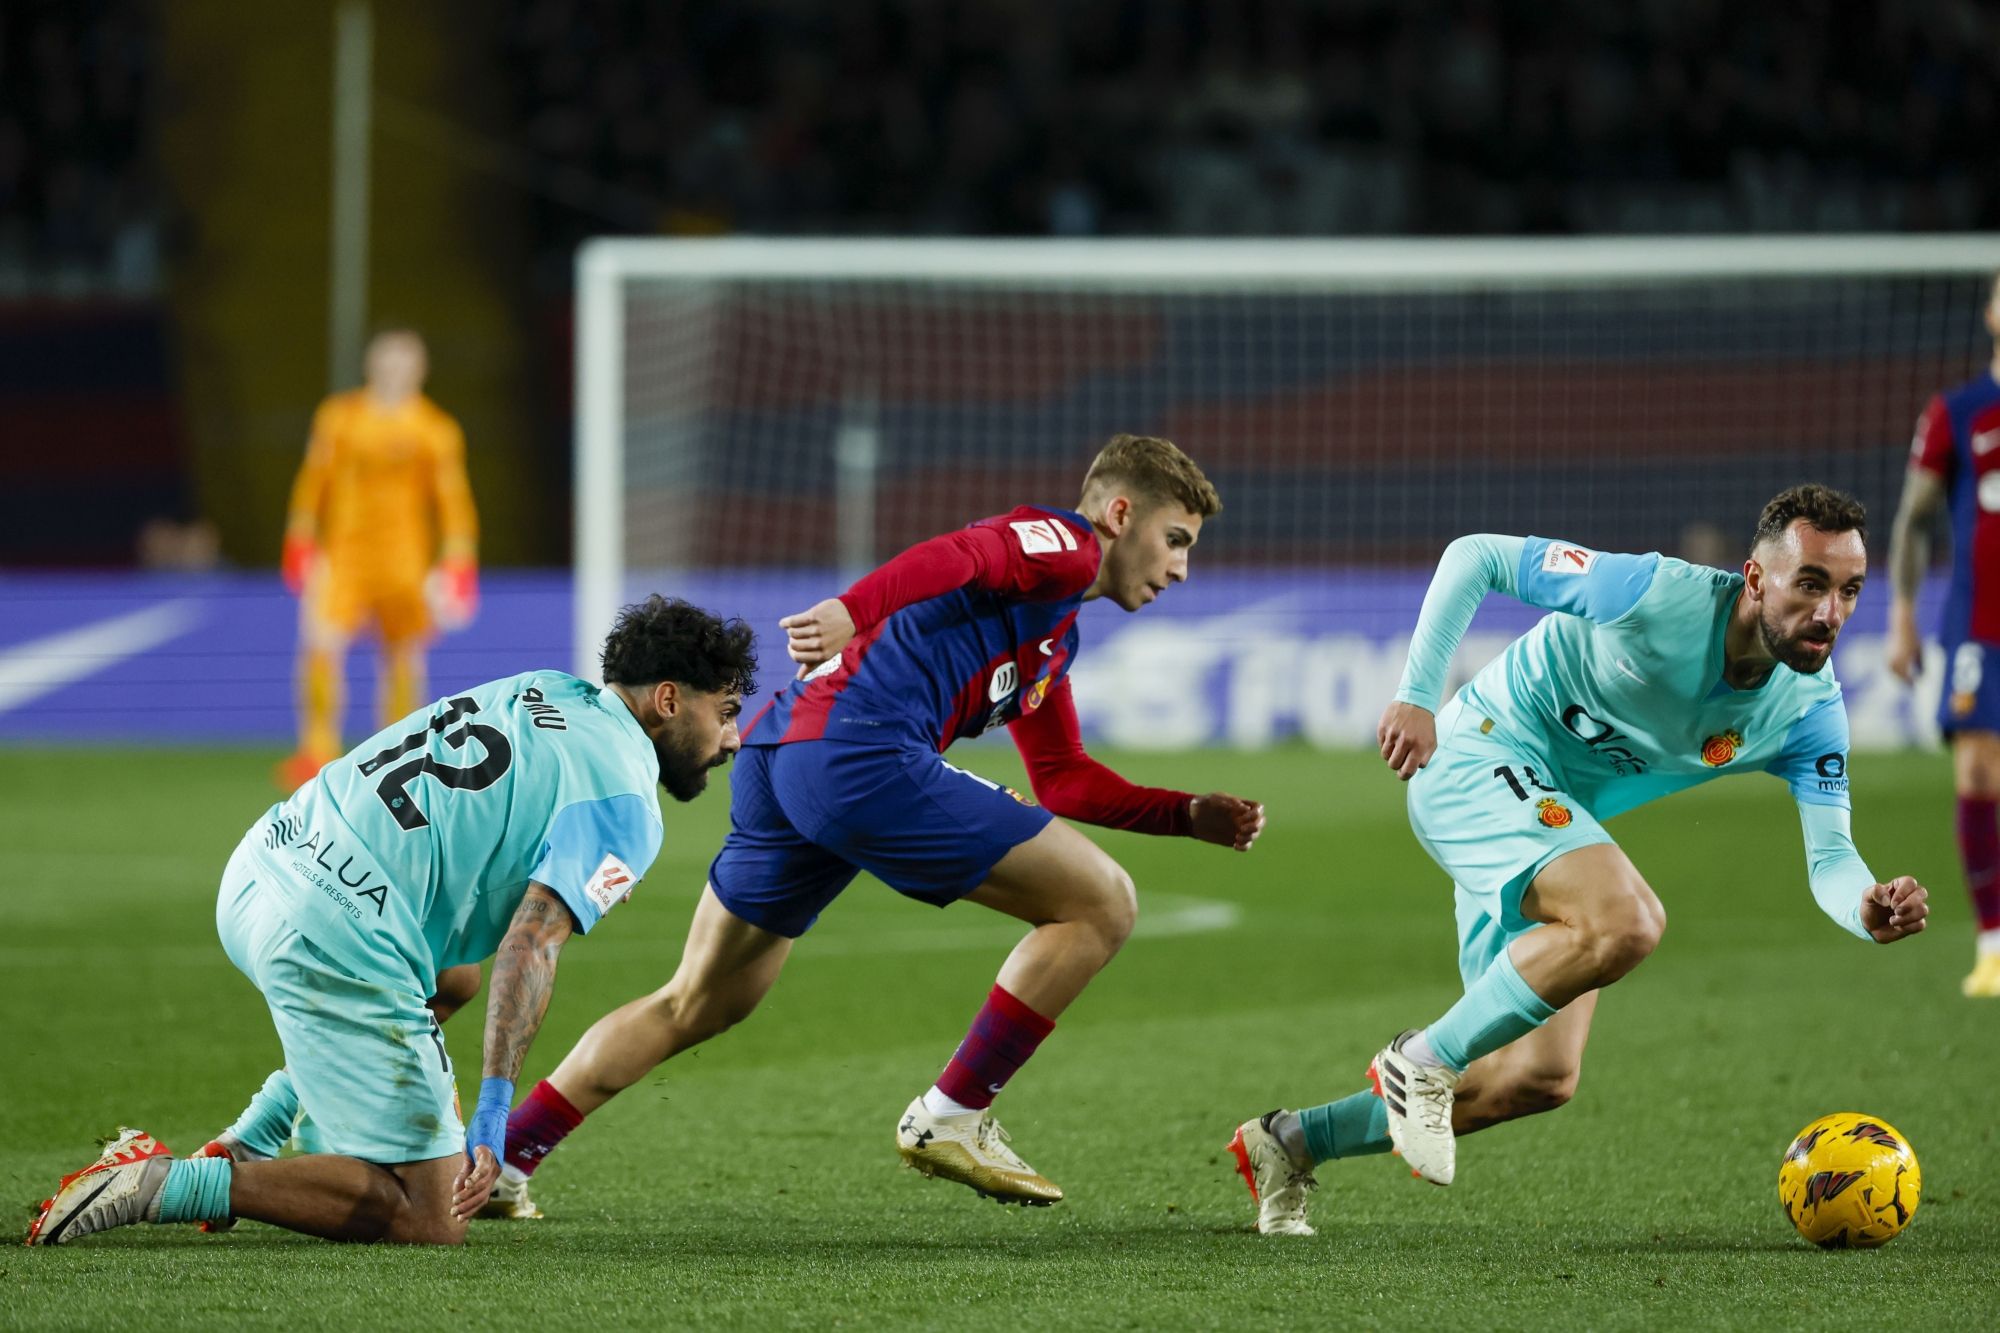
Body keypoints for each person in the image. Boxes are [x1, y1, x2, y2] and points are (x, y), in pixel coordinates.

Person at [487, 434, 1265, 1216]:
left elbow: (1063, 776)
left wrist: (1183, 814)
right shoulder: (1064, 544)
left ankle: (506, 1159)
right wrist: (847, 610)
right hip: (858, 747)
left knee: (699, 999)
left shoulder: (1054, 635)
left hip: (780, 755)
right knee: (1103, 903)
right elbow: (962, 553)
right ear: (1120, 514)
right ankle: (952, 1113)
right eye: (1175, 541)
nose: (1179, 568)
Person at [1227, 485, 1929, 1237]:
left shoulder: (1811, 710)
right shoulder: (1654, 592)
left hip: (1545, 821)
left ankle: (1290, 1141)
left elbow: (1831, 855)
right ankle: (1420, 1058)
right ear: (1757, 579)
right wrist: (1416, 695)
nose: (1830, 613)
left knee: (1538, 1076)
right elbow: (1478, 555)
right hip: (1477, 754)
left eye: (1850, 590)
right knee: (1626, 920)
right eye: (1811, 584)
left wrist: (1863, 904)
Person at [26, 597, 754, 1246]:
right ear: (667, 699)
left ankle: (250, 1139)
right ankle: (164, 1182)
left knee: (452, 976)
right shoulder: (626, 799)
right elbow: (529, 946)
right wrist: (495, 1114)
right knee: (428, 1215)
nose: (733, 739)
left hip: (259, 867)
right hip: (333, 933)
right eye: (724, 712)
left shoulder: (545, 686)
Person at [278, 328, 479, 790]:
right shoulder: (339, 417)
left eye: (404, 361)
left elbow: (453, 501)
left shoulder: (435, 430)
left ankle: (401, 749)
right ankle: (317, 749)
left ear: (420, 368)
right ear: (371, 364)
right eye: (386, 360)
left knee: (404, 655)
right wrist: (300, 535)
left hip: (403, 560)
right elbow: (314, 480)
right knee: (320, 642)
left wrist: (459, 560)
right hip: (345, 556)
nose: (394, 369)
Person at [1887, 271, 2000, 997]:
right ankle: (1994, 945)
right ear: (1992, 311)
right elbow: (1914, 519)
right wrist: (1901, 613)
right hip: (1980, 627)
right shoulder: (1959, 411)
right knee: (1978, 775)